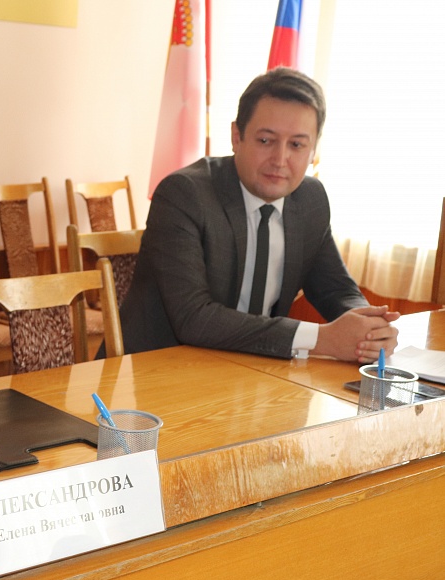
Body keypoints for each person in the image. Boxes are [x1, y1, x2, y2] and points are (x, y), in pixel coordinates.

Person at [114, 67, 398, 362]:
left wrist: (369, 328)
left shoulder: (309, 199)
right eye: (266, 140)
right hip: (157, 371)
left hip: (252, 371)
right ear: (237, 137)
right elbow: (194, 318)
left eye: (297, 145)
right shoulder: (185, 195)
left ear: (313, 150)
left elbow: (336, 288)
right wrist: (320, 339)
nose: (280, 159)